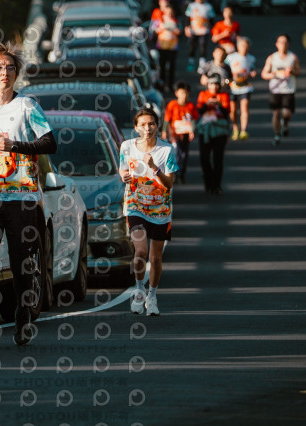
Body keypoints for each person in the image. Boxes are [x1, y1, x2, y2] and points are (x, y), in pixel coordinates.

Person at [0, 42, 56, 348]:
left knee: (21, 261)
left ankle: (23, 315)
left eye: (9, 67)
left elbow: (49, 143)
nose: (4, 72)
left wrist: (14, 146)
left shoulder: (27, 106)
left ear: (16, 73)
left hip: (21, 196)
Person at [119, 108, 178, 316]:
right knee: (141, 251)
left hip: (160, 209)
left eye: (151, 124)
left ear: (157, 126)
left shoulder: (167, 150)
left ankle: (152, 296)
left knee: (156, 258)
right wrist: (124, 175)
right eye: (143, 125)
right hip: (135, 205)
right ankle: (139, 291)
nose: (147, 128)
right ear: (136, 128)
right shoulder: (127, 146)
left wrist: (155, 168)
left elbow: (169, 183)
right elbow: (122, 168)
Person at [261, 33, 300, 146]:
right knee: (276, 113)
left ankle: (285, 123)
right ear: (276, 44)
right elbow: (264, 74)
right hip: (275, 90)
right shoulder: (272, 58)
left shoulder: (293, 57)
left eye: (285, 42)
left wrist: (291, 72)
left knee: (287, 113)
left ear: (288, 44)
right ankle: (277, 134)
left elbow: (298, 72)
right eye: (280, 42)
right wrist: (274, 74)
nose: (283, 44)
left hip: (288, 89)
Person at [196, 75, 231, 195]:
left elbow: (227, 113)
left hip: (219, 129)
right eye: (211, 84)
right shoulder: (203, 95)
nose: (214, 86)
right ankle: (208, 180)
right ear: (208, 85)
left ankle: (217, 185)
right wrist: (207, 104)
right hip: (205, 129)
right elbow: (199, 111)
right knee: (204, 157)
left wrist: (219, 105)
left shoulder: (224, 96)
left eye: (216, 84)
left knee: (218, 158)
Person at [161, 81, 198, 183]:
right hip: (174, 134)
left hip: (185, 133)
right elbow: (167, 119)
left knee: (184, 154)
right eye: (181, 93)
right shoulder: (172, 105)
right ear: (176, 93)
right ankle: (175, 173)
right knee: (176, 153)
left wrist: (192, 131)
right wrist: (164, 131)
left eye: (185, 93)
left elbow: (193, 120)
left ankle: (182, 173)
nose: (184, 96)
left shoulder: (190, 106)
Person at [224, 36, 256, 141]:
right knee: (233, 110)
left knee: (244, 108)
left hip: (245, 87)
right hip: (233, 86)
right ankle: (235, 128)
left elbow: (252, 69)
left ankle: (243, 130)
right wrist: (229, 77)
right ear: (238, 47)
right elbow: (225, 68)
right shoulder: (231, 57)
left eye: (246, 46)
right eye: (242, 46)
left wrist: (252, 73)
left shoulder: (251, 58)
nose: (244, 48)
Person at [154, 2, 182, 93]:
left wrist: (176, 31)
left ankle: (170, 84)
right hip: (162, 46)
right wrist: (162, 28)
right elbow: (155, 30)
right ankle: (162, 84)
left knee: (171, 67)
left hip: (173, 47)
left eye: (171, 12)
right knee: (162, 66)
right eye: (167, 12)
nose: (169, 14)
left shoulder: (176, 20)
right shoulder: (160, 20)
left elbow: (180, 31)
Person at [184, 0, 216, 72]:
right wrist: (186, 28)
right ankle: (191, 63)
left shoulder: (208, 6)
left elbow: (212, 19)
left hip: (204, 31)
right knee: (192, 47)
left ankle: (202, 65)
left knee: (203, 47)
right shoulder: (192, 5)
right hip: (193, 31)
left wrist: (212, 30)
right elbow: (187, 18)